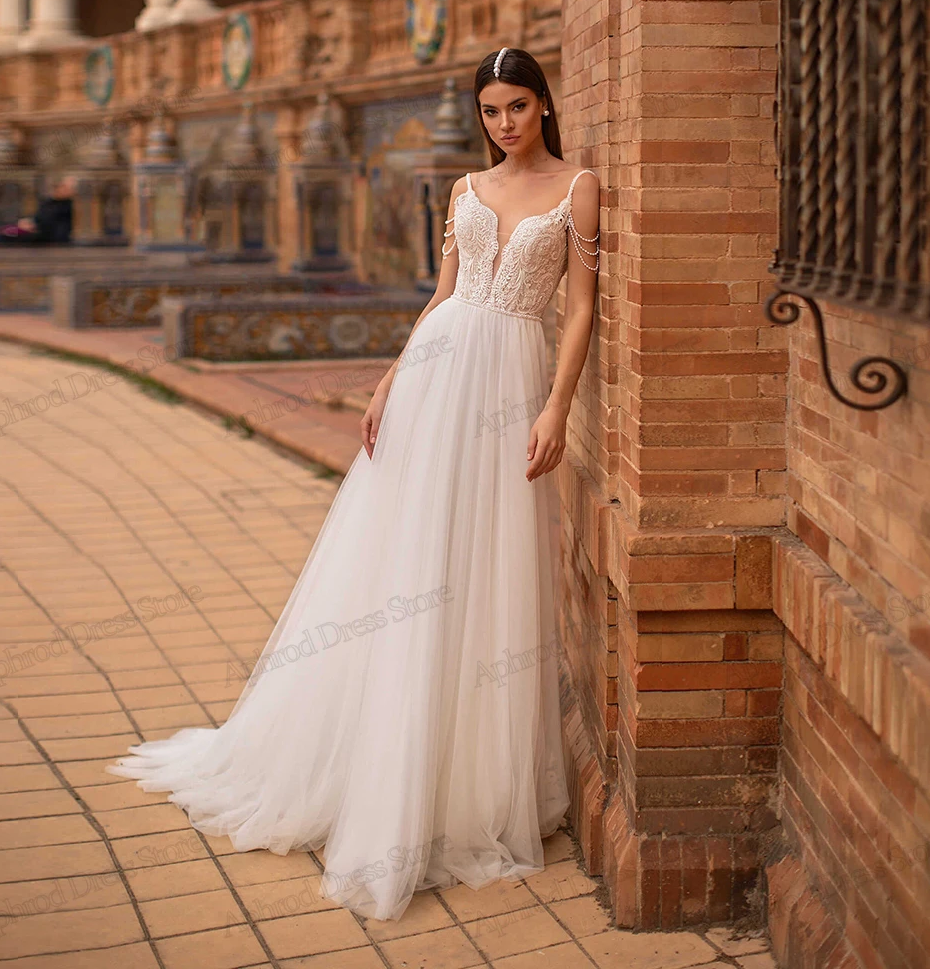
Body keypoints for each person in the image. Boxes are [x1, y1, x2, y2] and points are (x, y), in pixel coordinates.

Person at [105, 47, 601, 923]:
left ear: (544, 107)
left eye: (517, 108)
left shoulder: (578, 187)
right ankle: (384, 765)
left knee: (488, 565)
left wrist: (557, 408)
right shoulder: (462, 191)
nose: (503, 125)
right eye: (490, 111)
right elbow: (440, 296)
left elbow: (584, 309)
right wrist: (387, 380)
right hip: (439, 374)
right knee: (409, 559)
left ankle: (466, 786)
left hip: (515, 377)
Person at [0, 175, 76, 243]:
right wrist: (28, 222)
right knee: (3, 231)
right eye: (60, 186)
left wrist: (33, 226)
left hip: (45, 235)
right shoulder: (49, 202)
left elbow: (51, 223)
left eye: (65, 187)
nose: (59, 189)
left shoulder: (67, 205)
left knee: (3, 236)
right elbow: (39, 215)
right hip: (34, 229)